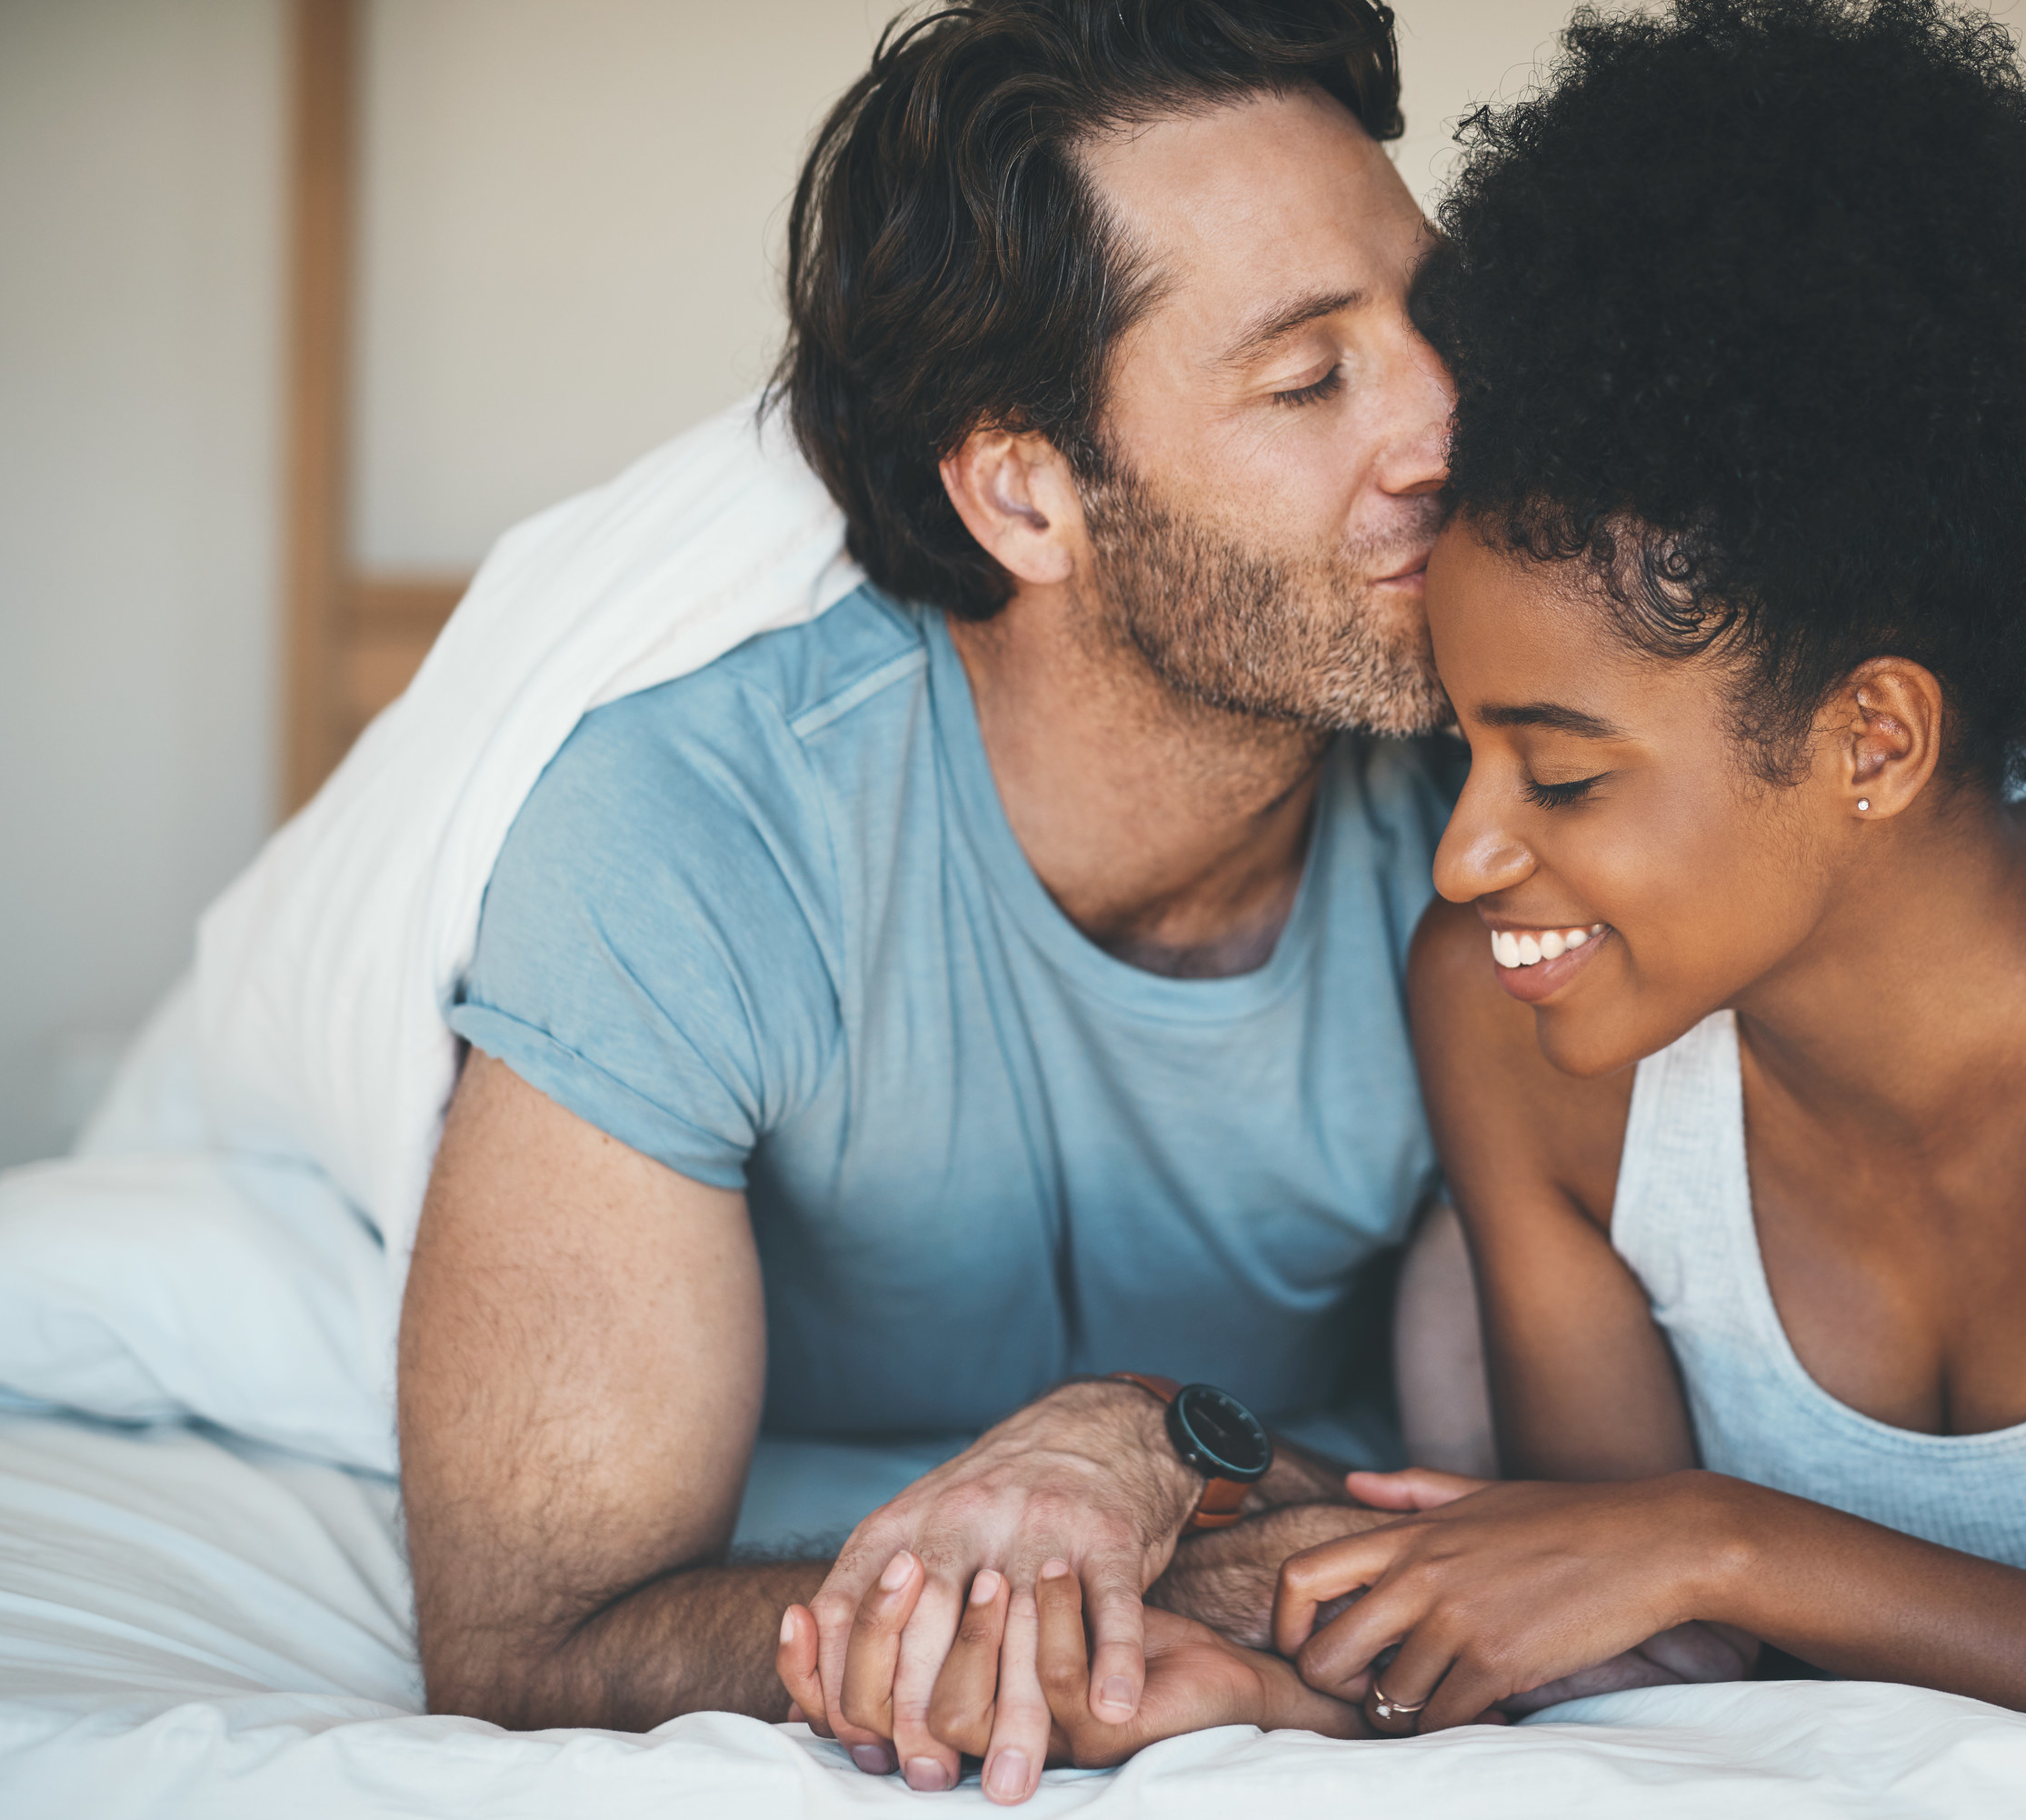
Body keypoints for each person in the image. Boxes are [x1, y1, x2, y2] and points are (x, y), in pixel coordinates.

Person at [1272, 0, 2026, 1735]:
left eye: (1565, 767)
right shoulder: (1510, 1027)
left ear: (1875, 741)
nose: (1465, 855)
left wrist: (1724, 1538)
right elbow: (1640, 1668)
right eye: (1461, 748)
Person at [395, 1, 1487, 1804]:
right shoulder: (698, 837)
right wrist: (1059, 1589)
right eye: (1309, 381)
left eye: (1439, 326)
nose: (1448, 425)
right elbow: (532, 1642)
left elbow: (1576, 1530)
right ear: (1026, 493)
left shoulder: (1510, 813)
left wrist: (1152, 1447)